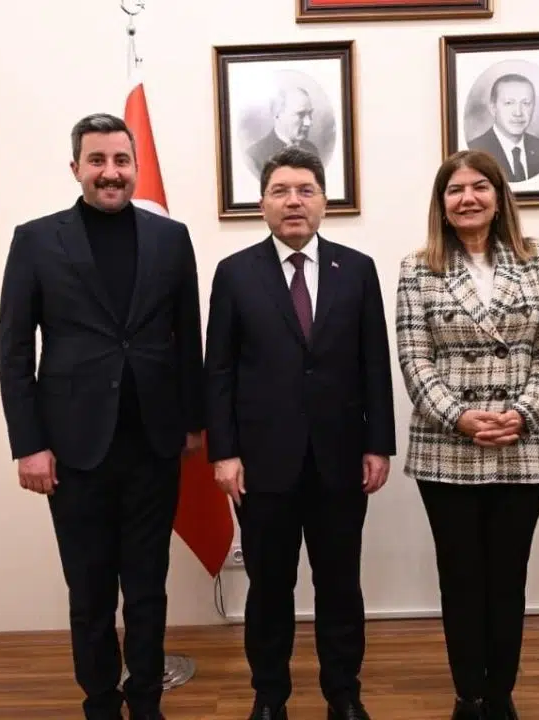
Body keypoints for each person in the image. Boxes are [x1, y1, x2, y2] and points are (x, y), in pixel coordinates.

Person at [0, 112, 206, 720]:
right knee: (89, 593)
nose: (110, 173)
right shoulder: (36, 240)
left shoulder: (172, 238)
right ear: (76, 168)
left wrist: (194, 423)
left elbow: (187, 337)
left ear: (135, 167)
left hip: (154, 445)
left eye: (121, 160)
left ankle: (147, 703)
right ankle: (99, 704)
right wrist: (28, 444)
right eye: (97, 161)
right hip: (73, 450)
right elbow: (14, 350)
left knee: (147, 590)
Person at [204, 146, 395, 720]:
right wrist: (224, 453)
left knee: (341, 586)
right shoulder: (235, 273)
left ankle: (344, 694)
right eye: (281, 191)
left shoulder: (356, 269)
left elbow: (374, 363)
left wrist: (378, 443)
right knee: (269, 588)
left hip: (341, 459)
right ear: (262, 203)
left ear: (324, 202)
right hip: (261, 465)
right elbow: (219, 371)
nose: (293, 201)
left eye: (305, 190)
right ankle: (270, 696)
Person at [395, 149, 539, 720]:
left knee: (508, 578)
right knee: (461, 578)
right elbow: (414, 358)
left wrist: (523, 411)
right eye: (455, 189)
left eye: (479, 187)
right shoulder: (417, 267)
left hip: (524, 443)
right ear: (441, 203)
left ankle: (501, 693)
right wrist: (459, 416)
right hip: (447, 447)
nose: (467, 198)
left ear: (499, 197)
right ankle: (469, 693)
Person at [466, 73, 539, 182]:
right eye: (509, 103)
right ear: (493, 108)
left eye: (526, 103)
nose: (518, 113)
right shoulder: (475, 152)